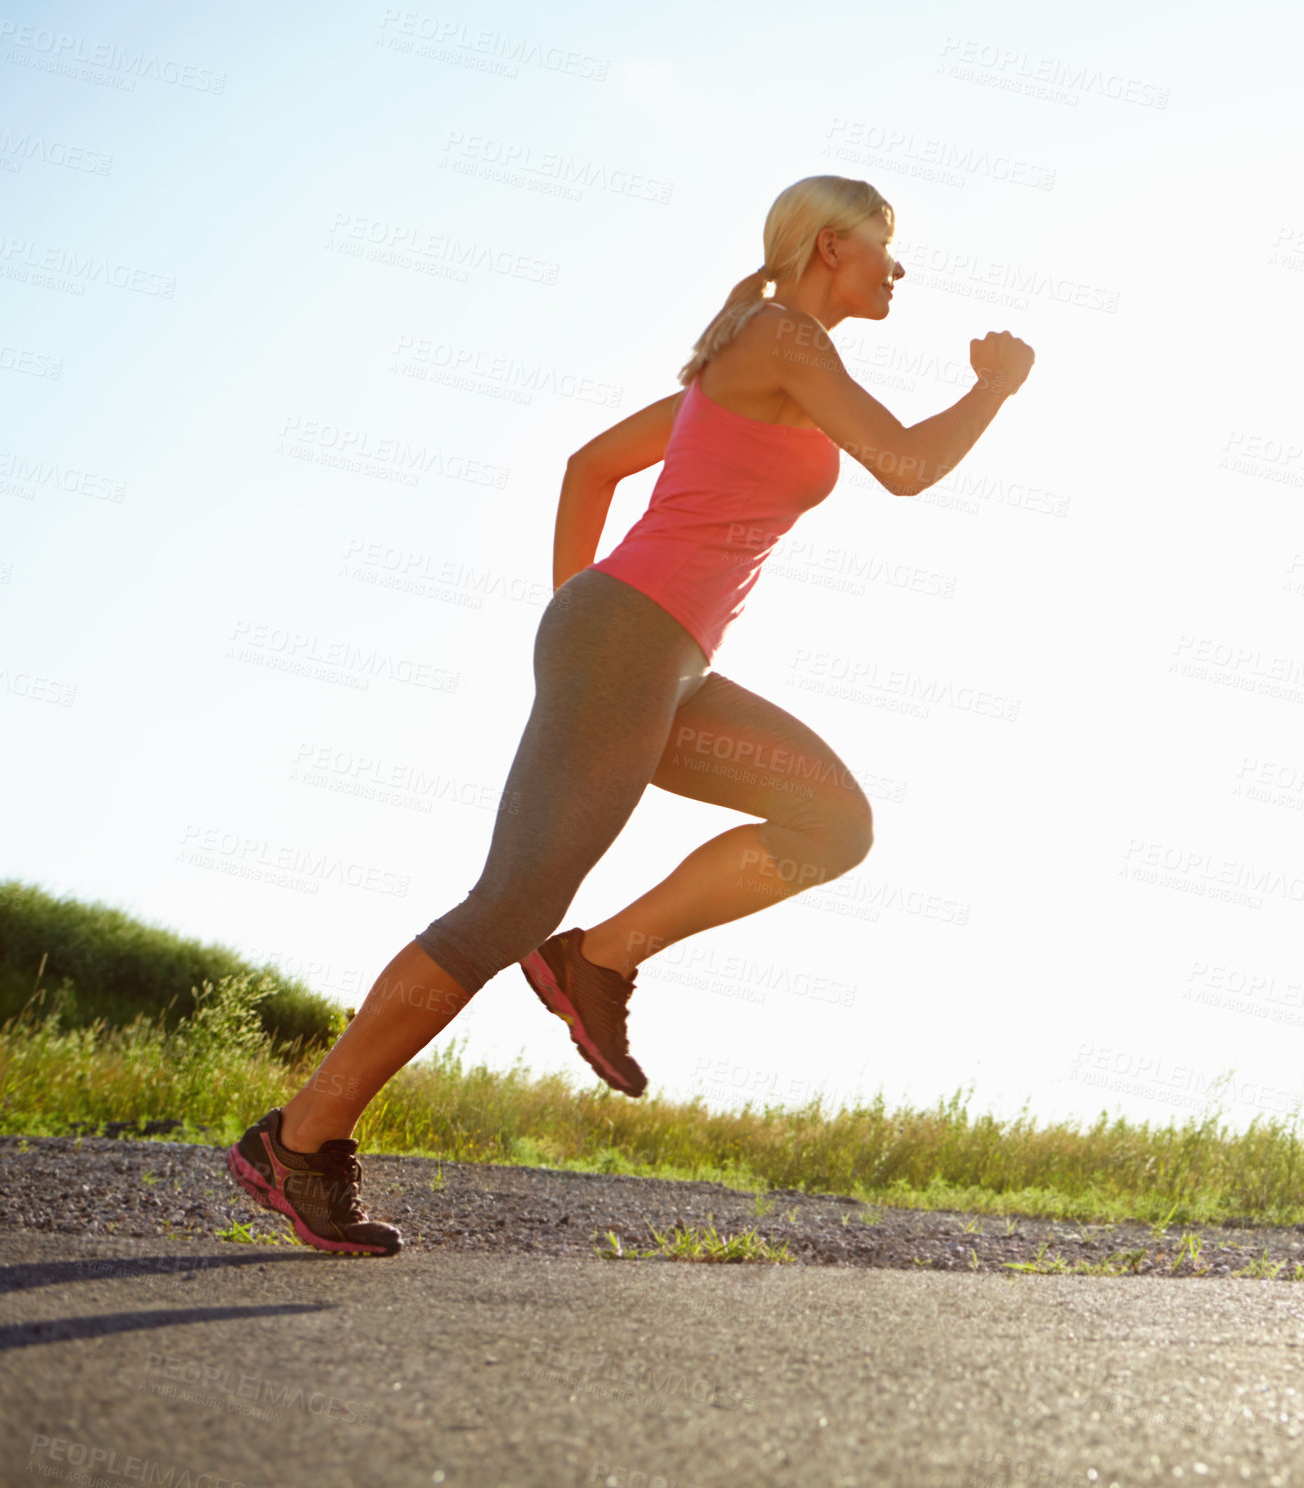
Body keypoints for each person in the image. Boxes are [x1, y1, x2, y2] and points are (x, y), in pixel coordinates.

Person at [226, 174, 1035, 1255]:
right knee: (509, 903)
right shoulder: (782, 337)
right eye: (885, 248)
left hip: (660, 662)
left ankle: (598, 959)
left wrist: (577, 611)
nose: (899, 270)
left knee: (829, 824)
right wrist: (991, 388)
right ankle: (300, 1141)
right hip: (628, 643)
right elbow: (905, 466)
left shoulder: (751, 357)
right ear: (828, 246)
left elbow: (590, 465)